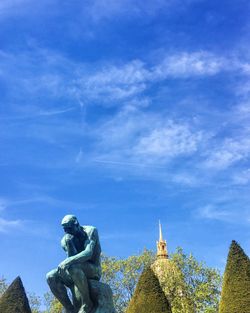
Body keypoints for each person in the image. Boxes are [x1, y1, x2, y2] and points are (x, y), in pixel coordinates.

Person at [46, 215, 102, 313]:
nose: (67, 231)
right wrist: (70, 243)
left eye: (69, 228)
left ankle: (87, 303)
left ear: (76, 224)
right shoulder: (65, 240)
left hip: (93, 269)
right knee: (50, 276)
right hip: (75, 270)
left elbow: (88, 253)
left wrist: (67, 261)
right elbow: (72, 256)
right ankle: (69, 308)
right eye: (65, 229)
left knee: (73, 267)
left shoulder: (91, 231)